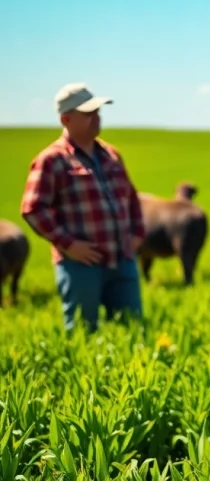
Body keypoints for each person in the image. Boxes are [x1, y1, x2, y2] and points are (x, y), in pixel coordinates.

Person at [20, 82, 145, 332]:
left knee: (133, 330)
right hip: (80, 265)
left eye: (97, 112)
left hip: (122, 259)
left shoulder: (112, 154)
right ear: (66, 119)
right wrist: (68, 244)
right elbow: (33, 209)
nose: (96, 118)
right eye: (88, 114)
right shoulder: (51, 160)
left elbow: (131, 197)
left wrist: (137, 235)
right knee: (82, 332)